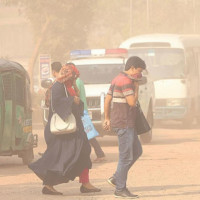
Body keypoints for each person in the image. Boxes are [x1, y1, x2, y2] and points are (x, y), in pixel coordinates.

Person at [29, 62, 101, 195]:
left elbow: (75, 103)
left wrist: (75, 97)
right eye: (73, 76)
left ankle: (85, 183)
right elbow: (56, 104)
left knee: (84, 151)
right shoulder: (58, 86)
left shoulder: (67, 86)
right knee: (60, 158)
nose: (75, 79)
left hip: (74, 129)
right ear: (67, 75)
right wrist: (72, 100)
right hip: (63, 132)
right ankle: (47, 183)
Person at [103, 56, 146, 199]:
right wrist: (137, 86)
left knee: (137, 151)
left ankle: (117, 177)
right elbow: (132, 102)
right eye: (138, 71)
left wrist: (107, 118)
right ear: (132, 68)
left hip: (123, 122)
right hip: (125, 123)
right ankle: (120, 189)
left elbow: (107, 100)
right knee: (126, 157)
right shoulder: (128, 82)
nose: (139, 74)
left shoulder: (116, 79)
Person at [66, 62, 106, 163]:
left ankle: (100, 154)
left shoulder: (76, 82)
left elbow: (76, 96)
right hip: (82, 111)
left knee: (89, 134)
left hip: (81, 112)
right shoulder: (79, 80)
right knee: (88, 134)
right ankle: (99, 153)